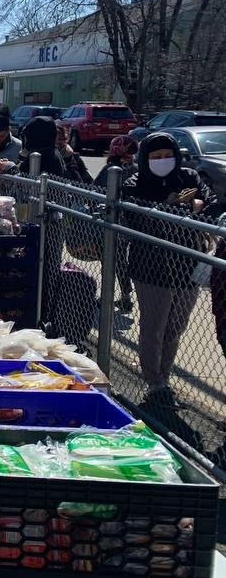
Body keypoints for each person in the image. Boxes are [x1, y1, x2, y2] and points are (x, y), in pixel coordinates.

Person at [123, 133, 221, 412]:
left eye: (168, 155)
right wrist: (176, 207)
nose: (163, 161)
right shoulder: (136, 181)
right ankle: (154, 382)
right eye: (155, 157)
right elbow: (139, 215)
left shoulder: (188, 175)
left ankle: (164, 376)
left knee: (176, 326)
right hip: (151, 266)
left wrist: (196, 205)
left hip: (187, 264)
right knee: (154, 327)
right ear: (145, 159)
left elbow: (211, 203)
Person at [96, 135, 139, 311]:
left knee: (109, 260)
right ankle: (126, 296)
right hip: (133, 223)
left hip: (113, 222)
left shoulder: (110, 169)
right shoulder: (136, 168)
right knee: (123, 262)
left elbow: (94, 190)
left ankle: (107, 296)